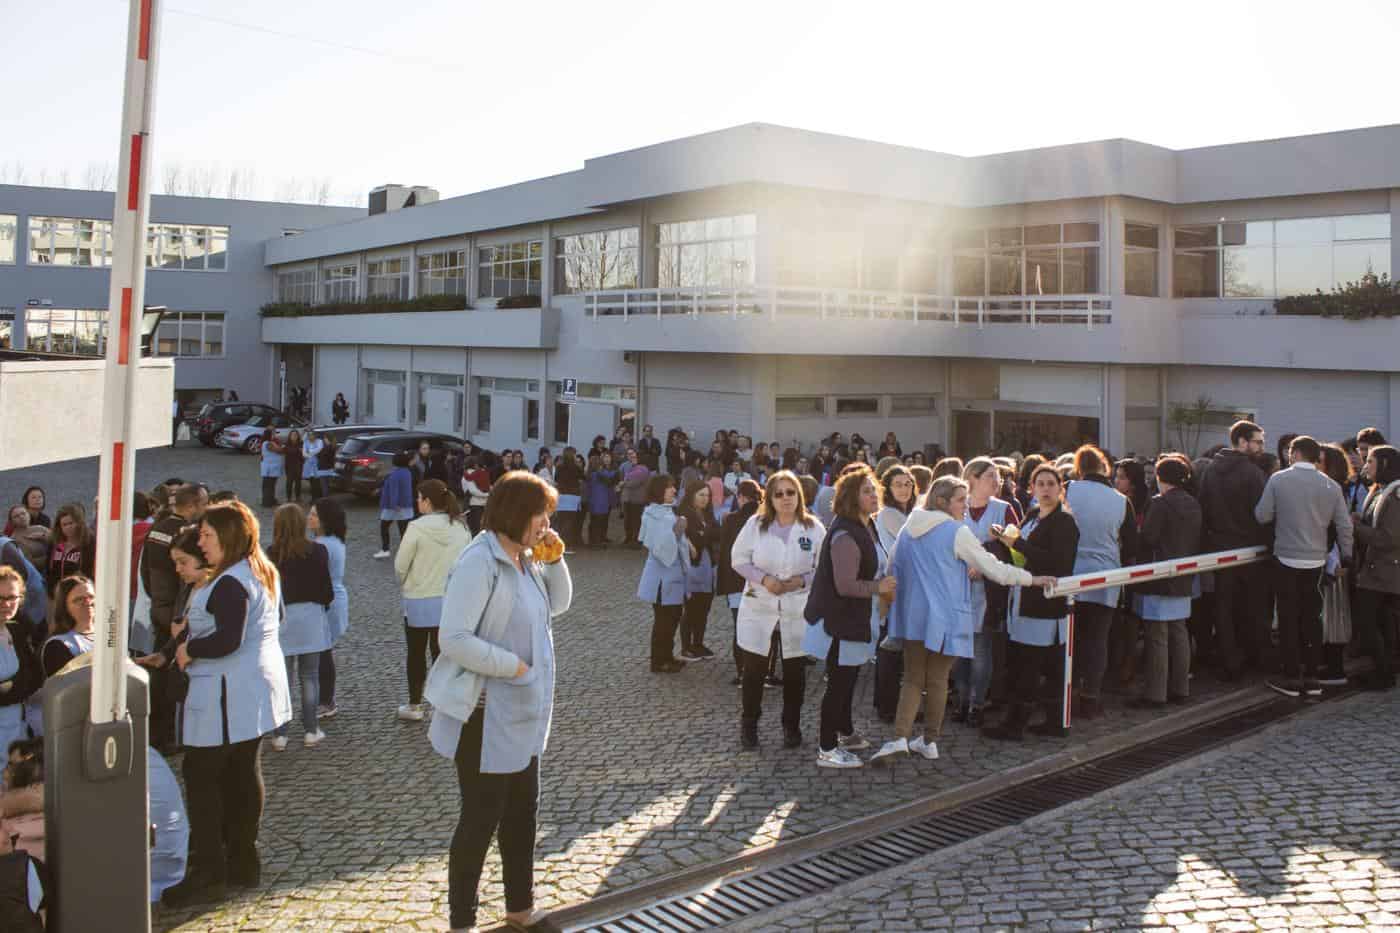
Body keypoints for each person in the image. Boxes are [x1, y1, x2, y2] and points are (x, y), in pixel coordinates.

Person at [422, 471, 570, 933]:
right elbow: (453, 638)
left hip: (523, 711)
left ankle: (520, 908)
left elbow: (559, 605)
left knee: (523, 814)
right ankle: (461, 922)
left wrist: (555, 559)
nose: (546, 524)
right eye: (540, 515)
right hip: (484, 715)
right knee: (480, 820)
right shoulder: (479, 562)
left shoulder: (526, 559)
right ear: (515, 514)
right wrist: (515, 668)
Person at [160, 501, 290, 906]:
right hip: (251, 690)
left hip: (227, 694)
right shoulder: (260, 569)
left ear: (229, 536)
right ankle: (242, 861)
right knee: (241, 772)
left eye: (206, 535)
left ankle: (210, 871)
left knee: (202, 775)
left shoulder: (232, 580)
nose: (200, 542)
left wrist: (189, 648)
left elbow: (228, 639)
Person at [871, 476, 1047, 765]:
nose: (965, 506)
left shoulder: (908, 527)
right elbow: (993, 568)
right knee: (938, 679)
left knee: (913, 678)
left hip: (914, 615)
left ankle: (900, 738)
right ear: (942, 501)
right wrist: (1031, 579)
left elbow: (893, 568)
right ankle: (929, 741)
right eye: (960, 500)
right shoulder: (956, 531)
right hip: (948, 617)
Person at [802, 466, 895, 768]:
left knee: (849, 677)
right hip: (839, 621)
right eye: (866, 491)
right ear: (851, 498)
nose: (874, 495)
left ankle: (845, 732)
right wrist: (879, 587)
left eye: (874, 490)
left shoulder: (867, 525)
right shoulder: (845, 534)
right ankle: (827, 749)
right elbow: (845, 585)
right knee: (839, 684)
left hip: (856, 619)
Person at [984, 464, 1080, 741]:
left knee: (1031, 667)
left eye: (1051, 484)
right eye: (1041, 484)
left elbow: (1058, 563)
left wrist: (1016, 544)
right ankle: (1051, 721)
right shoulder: (1034, 514)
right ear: (1032, 488)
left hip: (1044, 603)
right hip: (1022, 596)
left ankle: (1017, 725)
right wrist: (1003, 539)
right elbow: (1018, 549)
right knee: (1029, 664)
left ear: (1060, 488)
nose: (1046, 489)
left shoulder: (1064, 522)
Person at [732, 470, 826, 750]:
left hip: (796, 606)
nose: (786, 498)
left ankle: (791, 726)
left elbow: (824, 568)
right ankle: (749, 724)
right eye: (779, 494)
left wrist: (802, 580)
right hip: (760, 605)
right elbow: (738, 559)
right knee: (754, 670)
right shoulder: (755, 525)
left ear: (799, 495)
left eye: (791, 492)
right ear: (770, 498)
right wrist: (764, 579)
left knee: (795, 672)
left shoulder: (813, 528)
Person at [1254, 435, 1353, 698]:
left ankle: (1291, 677)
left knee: (1288, 618)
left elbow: (1262, 515)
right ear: (1316, 456)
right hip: (1316, 560)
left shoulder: (1278, 480)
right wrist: (1347, 556)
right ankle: (1312, 677)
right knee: (1312, 618)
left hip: (1285, 557)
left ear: (1295, 453)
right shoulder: (1331, 485)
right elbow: (1344, 525)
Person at [1064, 445, 1137, 721]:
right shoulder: (1121, 501)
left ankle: (1067, 695)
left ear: (1078, 468)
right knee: (1097, 640)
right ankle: (1090, 697)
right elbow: (1131, 544)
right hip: (1106, 577)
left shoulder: (1067, 490)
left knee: (1069, 640)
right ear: (1105, 468)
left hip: (1070, 576)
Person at [1198, 420, 1269, 680]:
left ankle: (1230, 660)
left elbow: (1204, 509)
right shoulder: (1253, 474)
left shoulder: (1210, 471)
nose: (1262, 447)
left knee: (1224, 607)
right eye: (1258, 442)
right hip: (1250, 550)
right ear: (1241, 442)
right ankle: (1251, 658)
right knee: (1250, 607)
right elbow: (1264, 515)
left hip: (1220, 549)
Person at [396, 479, 471, 721]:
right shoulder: (461, 528)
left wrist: (407, 582)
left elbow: (400, 566)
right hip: (450, 600)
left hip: (418, 599)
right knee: (443, 655)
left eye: (419, 498)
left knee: (416, 654)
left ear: (427, 501)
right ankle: (443, 703)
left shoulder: (416, 528)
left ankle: (415, 704)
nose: (417, 502)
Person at [951, 457, 1018, 726]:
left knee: (981, 649)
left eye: (997, 476)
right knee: (958, 652)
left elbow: (1016, 550)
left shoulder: (1004, 510)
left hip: (988, 593)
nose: (996, 481)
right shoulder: (957, 507)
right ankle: (961, 699)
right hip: (957, 589)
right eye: (990, 475)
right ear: (973, 479)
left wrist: (986, 560)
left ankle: (976, 704)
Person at [1131, 456, 1203, 707]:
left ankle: (1155, 693)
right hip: (1184, 575)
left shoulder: (1160, 503)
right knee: (1179, 631)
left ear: (1160, 477)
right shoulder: (1193, 503)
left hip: (1159, 575)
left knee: (1157, 635)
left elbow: (1149, 537)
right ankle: (1180, 688)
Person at [267, 504, 333, 751]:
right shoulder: (318, 551)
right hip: (310, 617)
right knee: (310, 677)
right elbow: (326, 589)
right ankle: (311, 730)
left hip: (282, 618)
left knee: (282, 679)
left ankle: (280, 734)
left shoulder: (271, 554)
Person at [1351, 444, 1400, 690]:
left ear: (1385, 464)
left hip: (1384, 572)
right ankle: (1384, 673)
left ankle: (1384, 674)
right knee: (1379, 624)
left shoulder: (1395, 494)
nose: (1365, 465)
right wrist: (1361, 520)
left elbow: (1388, 538)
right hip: (1376, 570)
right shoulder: (1380, 490)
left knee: (1369, 623)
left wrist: (1356, 527)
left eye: (1370, 461)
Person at [637, 475, 688, 674]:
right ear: (659, 490)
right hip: (661, 579)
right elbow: (659, 548)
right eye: (670, 487)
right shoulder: (653, 514)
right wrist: (676, 531)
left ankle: (667, 655)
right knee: (664, 619)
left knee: (673, 616)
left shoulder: (666, 512)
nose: (674, 490)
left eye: (674, 486)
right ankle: (658, 661)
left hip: (672, 576)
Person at [718, 479, 762, 685]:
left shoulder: (731, 520)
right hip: (761, 581)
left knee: (740, 627)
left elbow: (725, 554)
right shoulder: (766, 518)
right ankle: (761, 671)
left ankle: (743, 671)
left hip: (737, 582)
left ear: (741, 497)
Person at [309, 498, 349, 720]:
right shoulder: (332, 541)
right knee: (323, 652)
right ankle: (324, 698)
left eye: (314, 515)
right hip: (333, 598)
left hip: (327, 601)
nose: (309, 518)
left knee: (323, 653)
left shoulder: (323, 545)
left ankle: (326, 700)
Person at [0, 568, 41, 761]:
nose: (6, 604)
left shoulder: (17, 631)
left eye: (12, 597)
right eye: (0, 598)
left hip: (17, 731)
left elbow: (36, 678)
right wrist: (18, 686)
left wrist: (12, 687)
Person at [676, 481, 719, 660]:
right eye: (701, 495)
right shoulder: (683, 514)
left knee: (704, 607)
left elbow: (716, 534)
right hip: (692, 567)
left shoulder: (708, 514)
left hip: (708, 566)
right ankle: (686, 647)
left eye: (707, 495)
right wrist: (703, 535)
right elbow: (690, 537)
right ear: (692, 495)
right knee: (691, 608)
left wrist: (704, 534)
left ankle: (698, 644)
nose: (705, 499)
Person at [41, 575, 96, 678]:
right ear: (65, 606)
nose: (88, 602)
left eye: (91, 597)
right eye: (79, 599)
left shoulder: (109, 634)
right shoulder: (58, 645)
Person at [46, 503, 95, 593]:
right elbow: (49, 570)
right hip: (56, 593)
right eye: (64, 525)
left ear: (78, 523)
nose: (68, 527)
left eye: (71, 523)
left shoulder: (88, 543)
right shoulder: (54, 543)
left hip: (80, 592)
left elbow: (88, 571)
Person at [375, 450, 416, 559]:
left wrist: (394, 504)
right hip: (406, 505)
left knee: (384, 526)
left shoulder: (395, 474)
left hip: (393, 506)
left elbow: (394, 491)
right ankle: (406, 551)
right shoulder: (407, 472)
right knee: (403, 530)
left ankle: (385, 549)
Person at [585, 452, 620, 548]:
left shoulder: (590, 474)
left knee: (594, 522)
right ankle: (597, 542)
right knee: (599, 522)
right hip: (601, 502)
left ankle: (593, 541)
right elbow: (610, 479)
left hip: (593, 501)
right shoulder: (600, 474)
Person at [620, 449, 652, 548]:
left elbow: (633, 483)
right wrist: (625, 482)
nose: (632, 459)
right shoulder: (633, 467)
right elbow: (627, 479)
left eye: (635, 457)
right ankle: (629, 538)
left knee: (636, 521)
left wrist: (623, 483)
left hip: (637, 499)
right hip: (628, 498)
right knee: (628, 520)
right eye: (632, 457)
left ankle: (636, 541)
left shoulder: (642, 469)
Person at [552, 448, 582, 549]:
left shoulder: (559, 466)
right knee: (571, 521)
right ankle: (567, 544)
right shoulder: (576, 467)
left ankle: (559, 544)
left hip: (562, 496)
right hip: (573, 496)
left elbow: (556, 479)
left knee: (561, 521)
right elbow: (582, 477)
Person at [301, 430, 326, 500]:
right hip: (309, 464)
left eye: (312, 435)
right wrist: (309, 455)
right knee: (312, 481)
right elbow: (304, 453)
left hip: (317, 463)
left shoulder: (319, 441)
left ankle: (318, 498)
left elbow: (319, 449)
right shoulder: (306, 442)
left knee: (317, 482)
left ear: (315, 435)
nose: (310, 436)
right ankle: (313, 498)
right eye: (309, 435)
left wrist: (310, 453)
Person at [283, 430, 306, 503]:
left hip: (299, 465)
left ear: (298, 436)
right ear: (290, 436)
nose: (294, 436)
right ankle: (288, 497)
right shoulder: (287, 443)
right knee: (289, 483)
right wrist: (298, 450)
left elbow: (303, 453)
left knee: (298, 483)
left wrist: (299, 451)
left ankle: (298, 497)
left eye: (296, 435)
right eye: (292, 435)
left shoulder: (301, 443)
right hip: (289, 466)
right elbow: (288, 451)